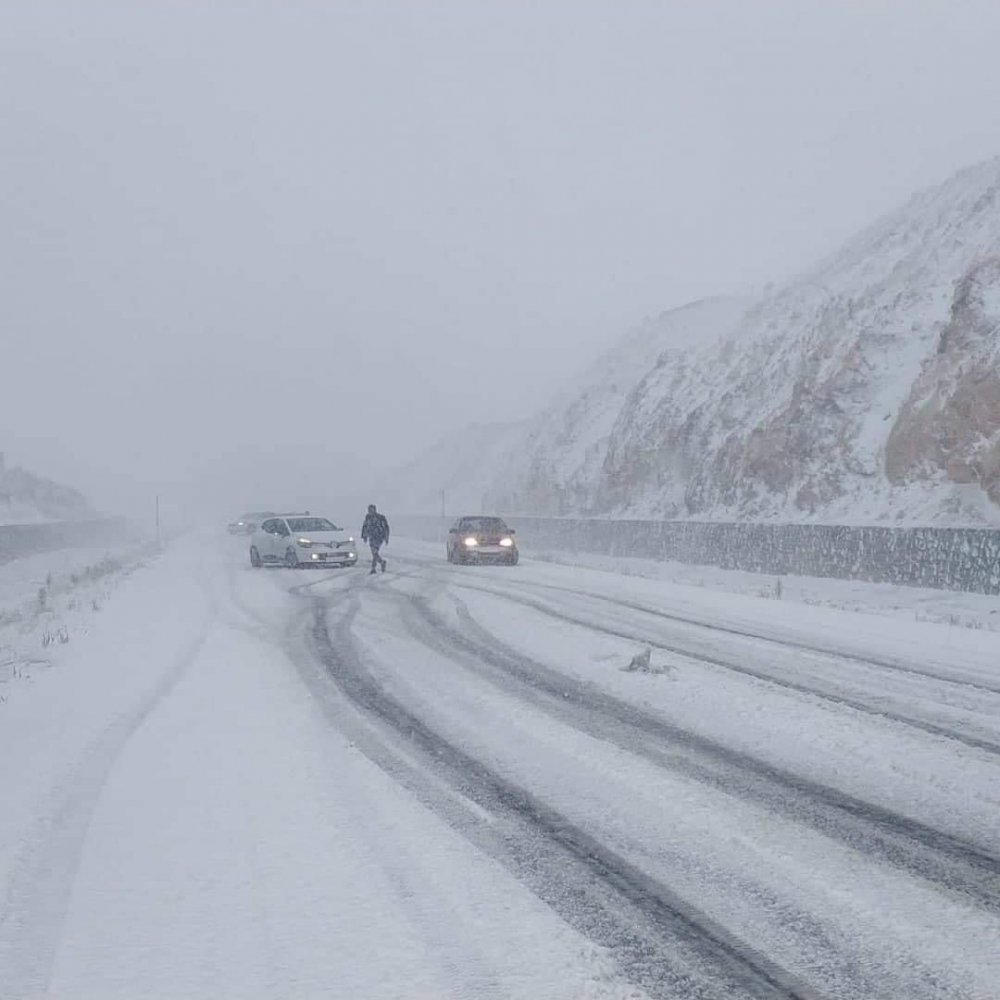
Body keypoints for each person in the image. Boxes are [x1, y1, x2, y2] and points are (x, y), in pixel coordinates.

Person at [361, 504, 390, 574]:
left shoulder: (381, 517)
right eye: (369, 510)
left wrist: (386, 537)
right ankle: (382, 562)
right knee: (374, 553)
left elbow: (386, 528)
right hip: (371, 537)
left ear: (375, 510)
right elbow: (365, 526)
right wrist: (364, 536)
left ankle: (373, 568)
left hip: (379, 537)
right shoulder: (367, 517)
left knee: (374, 552)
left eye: (371, 510)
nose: (370, 511)